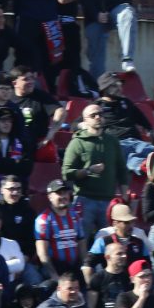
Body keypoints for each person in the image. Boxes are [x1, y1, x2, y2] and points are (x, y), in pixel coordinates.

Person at [62, 102, 128, 237]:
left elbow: (122, 169)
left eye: (100, 114)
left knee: (110, 241)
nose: (98, 117)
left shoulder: (112, 141)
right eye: (93, 115)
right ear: (85, 120)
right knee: (82, 239)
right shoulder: (77, 142)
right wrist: (88, 170)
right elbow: (66, 173)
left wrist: (124, 194)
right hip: (85, 200)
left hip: (108, 200)